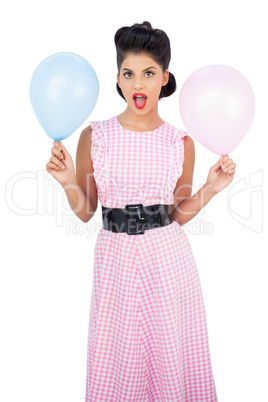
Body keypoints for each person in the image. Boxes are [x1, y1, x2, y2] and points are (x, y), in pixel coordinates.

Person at [46, 21, 236, 401]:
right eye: (129, 73)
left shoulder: (179, 141)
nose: (138, 84)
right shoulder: (94, 135)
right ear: (117, 77)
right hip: (115, 259)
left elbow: (177, 213)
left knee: (167, 350)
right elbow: (86, 212)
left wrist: (211, 189)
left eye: (149, 73)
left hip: (167, 260)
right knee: (116, 353)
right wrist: (67, 178)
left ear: (164, 78)